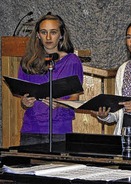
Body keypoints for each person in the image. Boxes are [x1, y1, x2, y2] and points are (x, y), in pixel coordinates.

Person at [18, 13, 84, 145]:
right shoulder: (28, 61)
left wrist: (59, 103)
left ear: (61, 35)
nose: (48, 37)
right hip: (31, 128)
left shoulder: (72, 61)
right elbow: (23, 96)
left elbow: (74, 98)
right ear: (38, 35)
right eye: (43, 32)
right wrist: (25, 102)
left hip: (59, 129)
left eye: (53, 32)